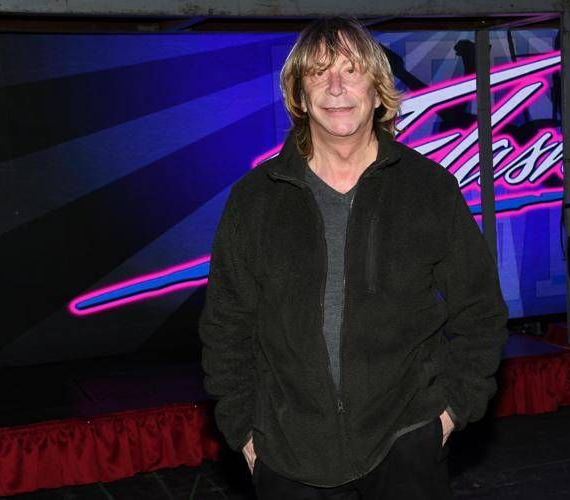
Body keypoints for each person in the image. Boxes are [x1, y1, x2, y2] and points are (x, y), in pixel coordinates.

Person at [198, 16, 509, 499]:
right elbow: (226, 326)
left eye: (351, 70)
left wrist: (449, 413)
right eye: (318, 73)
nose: (336, 87)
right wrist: (244, 430)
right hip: (287, 456)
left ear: (378, 90)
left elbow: (481, 309)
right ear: (299, 95)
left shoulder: (429, 189)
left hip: (407, 442)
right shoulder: (255, 200)